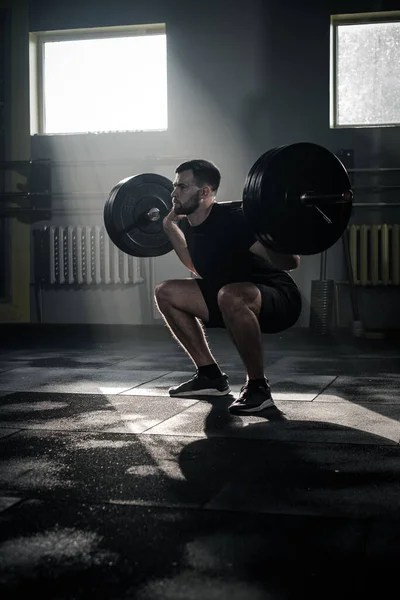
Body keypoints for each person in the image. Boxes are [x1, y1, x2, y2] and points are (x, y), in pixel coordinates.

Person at [154, 159, 302, 415]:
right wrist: (169, 227)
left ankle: (258, 388)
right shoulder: (190, 223)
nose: (173, 193)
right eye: (174, 186)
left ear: (205, 192)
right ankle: (210, 376)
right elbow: (196, 266)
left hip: (277, 295)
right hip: (228, 295)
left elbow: (290, 263)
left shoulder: (235, 219)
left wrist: (276, 230)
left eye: (182, 187)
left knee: (230, 294)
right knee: (165, 292)